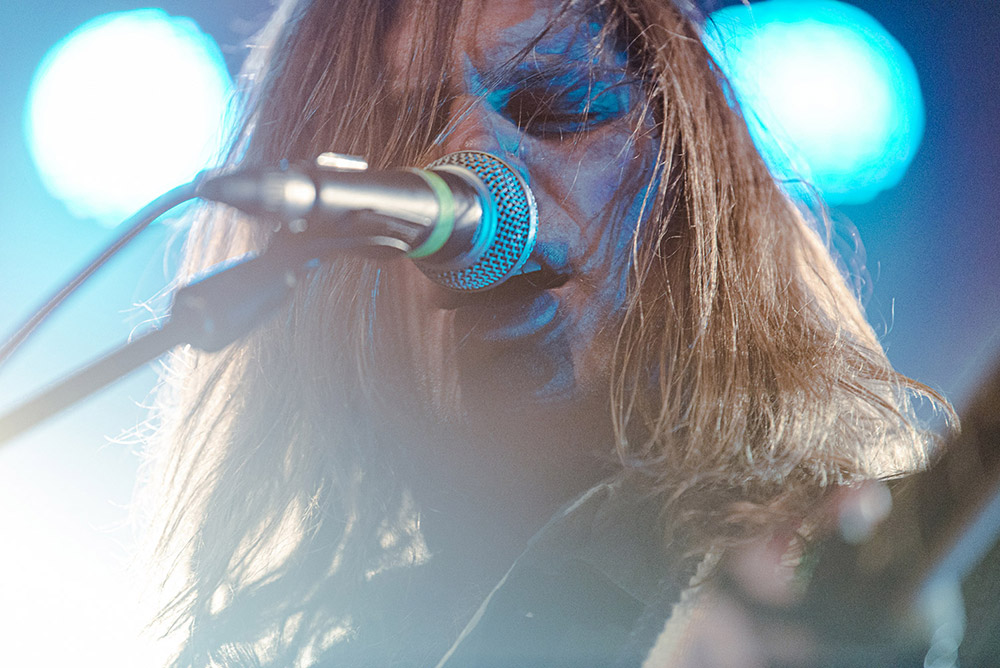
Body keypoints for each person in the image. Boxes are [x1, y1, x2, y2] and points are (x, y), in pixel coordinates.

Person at [138, 0, 951, 666]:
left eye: (558, 104)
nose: (472, 164)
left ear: (686, 201)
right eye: (401, 145)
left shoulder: (844, 579)